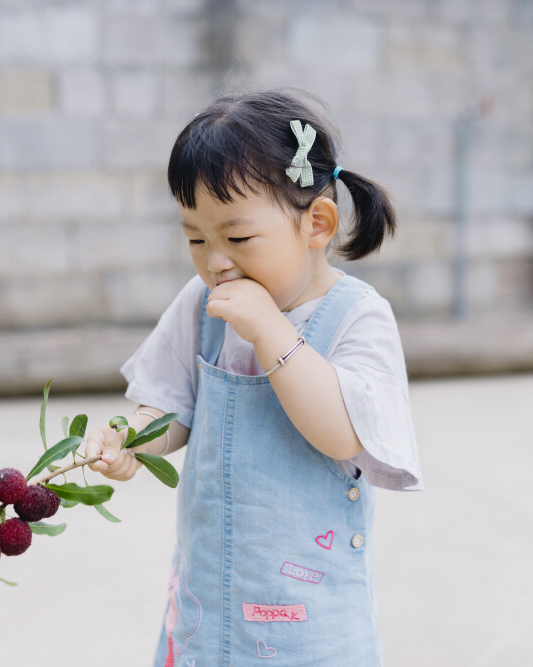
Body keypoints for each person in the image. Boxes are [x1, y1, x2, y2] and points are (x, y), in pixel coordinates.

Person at [85, 89, 423, 665]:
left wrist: (271, 332)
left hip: (306, 624)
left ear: (316, 223)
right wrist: (134, 440)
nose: (216, 260)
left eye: (238, 238)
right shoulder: (202, 304)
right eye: (196, 238)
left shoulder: (357, 317)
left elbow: (344, 434)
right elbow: (169, 404)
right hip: (206, 604)